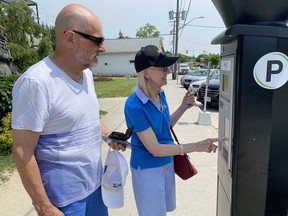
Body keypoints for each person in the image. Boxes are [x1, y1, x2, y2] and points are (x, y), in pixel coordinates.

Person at [11, 4, 124, 216]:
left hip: (96, 190)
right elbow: (21, 151)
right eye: (97, 40)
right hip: (64, 202)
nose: (103, 48)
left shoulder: (87, 76)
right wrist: (44, 207)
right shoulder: (36, 83)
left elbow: (85, 121)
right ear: (71, 38)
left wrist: (109, 135)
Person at [124, 45, 223, 216]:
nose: (168, 71)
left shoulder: (159, 94)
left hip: (167, 164)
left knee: (163, 211)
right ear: (146, 73)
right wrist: (196, 146)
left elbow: (164, 126)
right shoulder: (134, 105)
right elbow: (155, 149)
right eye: (163, 67)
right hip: (148, 170)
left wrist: (183, 107)